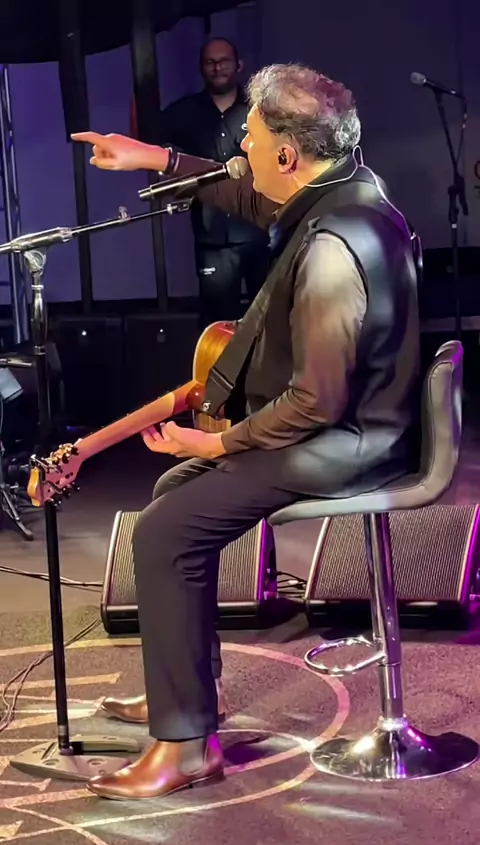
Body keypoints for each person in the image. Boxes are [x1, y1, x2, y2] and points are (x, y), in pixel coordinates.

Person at [72, 62, 421, 801]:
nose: (241, 153)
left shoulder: (332, 246)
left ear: (287, 154)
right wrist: (153, 158)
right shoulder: (343, 189)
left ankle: (185, 748)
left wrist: (219, 442)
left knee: (166, 529)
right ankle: (190, 694)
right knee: (174, 495)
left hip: (350, 439)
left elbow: (316, 402)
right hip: (353, 422)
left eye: (250, 140)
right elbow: (245, 193)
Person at [151, 37, 270, 327]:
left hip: (259, 232)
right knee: (218, 324)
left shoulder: (261, 111)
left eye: (224, 61)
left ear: (238, 65)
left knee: (269, 318)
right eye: (210, 62)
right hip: (212, 236)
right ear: (202, 68)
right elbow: (158, 153)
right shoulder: (183, 112)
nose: (217, 68)